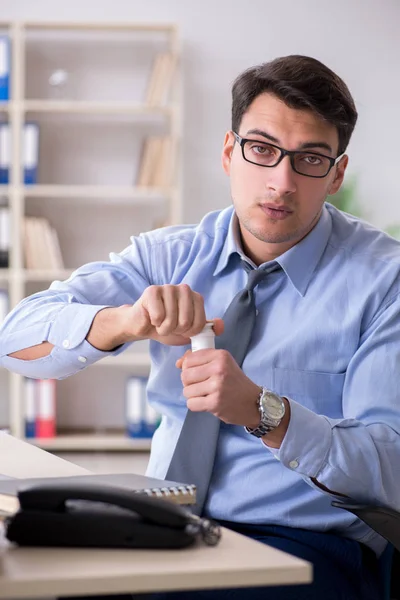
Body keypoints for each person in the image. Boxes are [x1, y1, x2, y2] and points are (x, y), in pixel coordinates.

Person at [1, 54, 399, 599]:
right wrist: (127, 320)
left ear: (336, 175)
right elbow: (15, 339)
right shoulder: (167, 254)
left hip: (304, 545)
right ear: (230, 152)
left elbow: (390, 466)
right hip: (163, 526)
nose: (281, 181)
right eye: (262, 150)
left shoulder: (385, 282)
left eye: (310, 158)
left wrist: (267, 413)